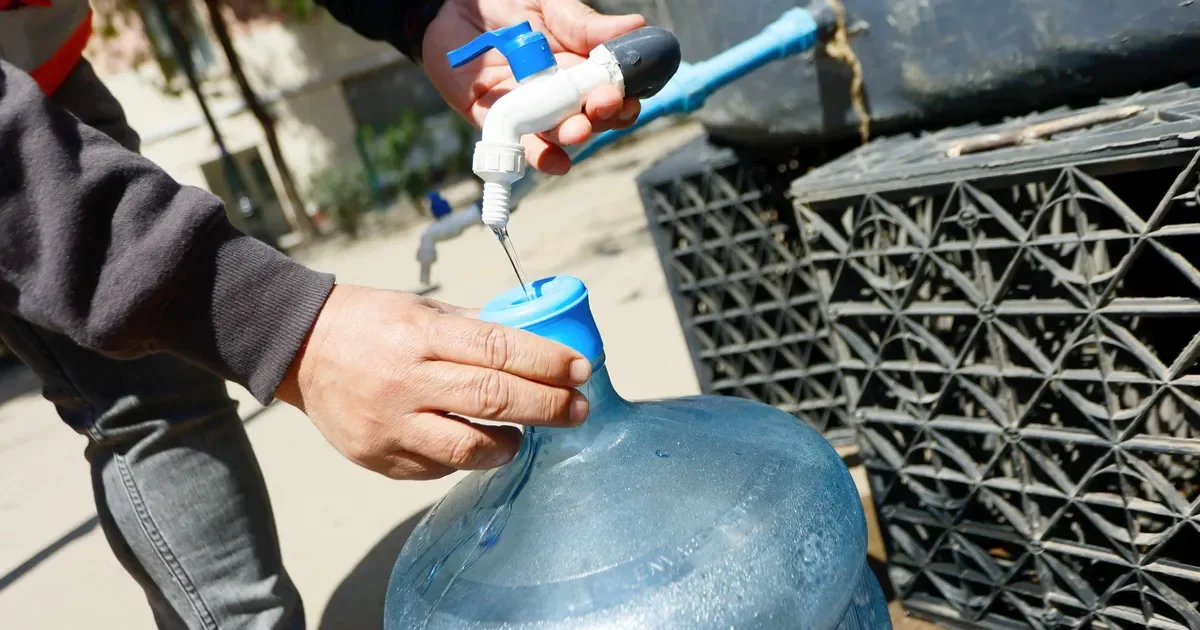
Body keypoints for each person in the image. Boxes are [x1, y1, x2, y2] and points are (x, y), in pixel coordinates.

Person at [0, 0, 644, 626]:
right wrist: (293, 331)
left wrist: (427, 10)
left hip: (49, 59)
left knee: (166, 392)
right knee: (146, 399)